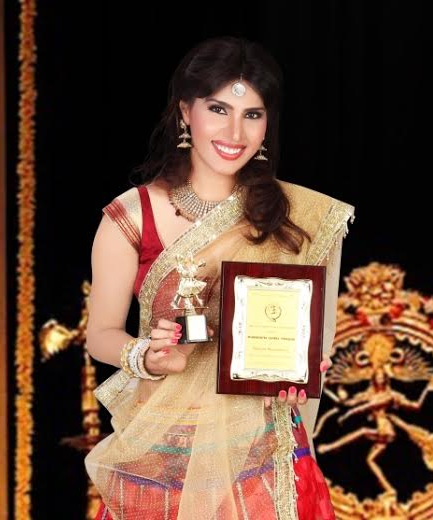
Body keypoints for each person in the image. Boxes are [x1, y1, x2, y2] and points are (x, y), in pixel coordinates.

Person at [84, 36, 355, 520]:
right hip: (159, 455)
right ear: (185, 111)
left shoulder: (297, 218)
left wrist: (302, 366)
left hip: (260, 459)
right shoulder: (132, 215)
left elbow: (300, 335)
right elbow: (100, 334)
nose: (235, 130)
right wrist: (145, 354)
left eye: (252, 113)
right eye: (217, 108)